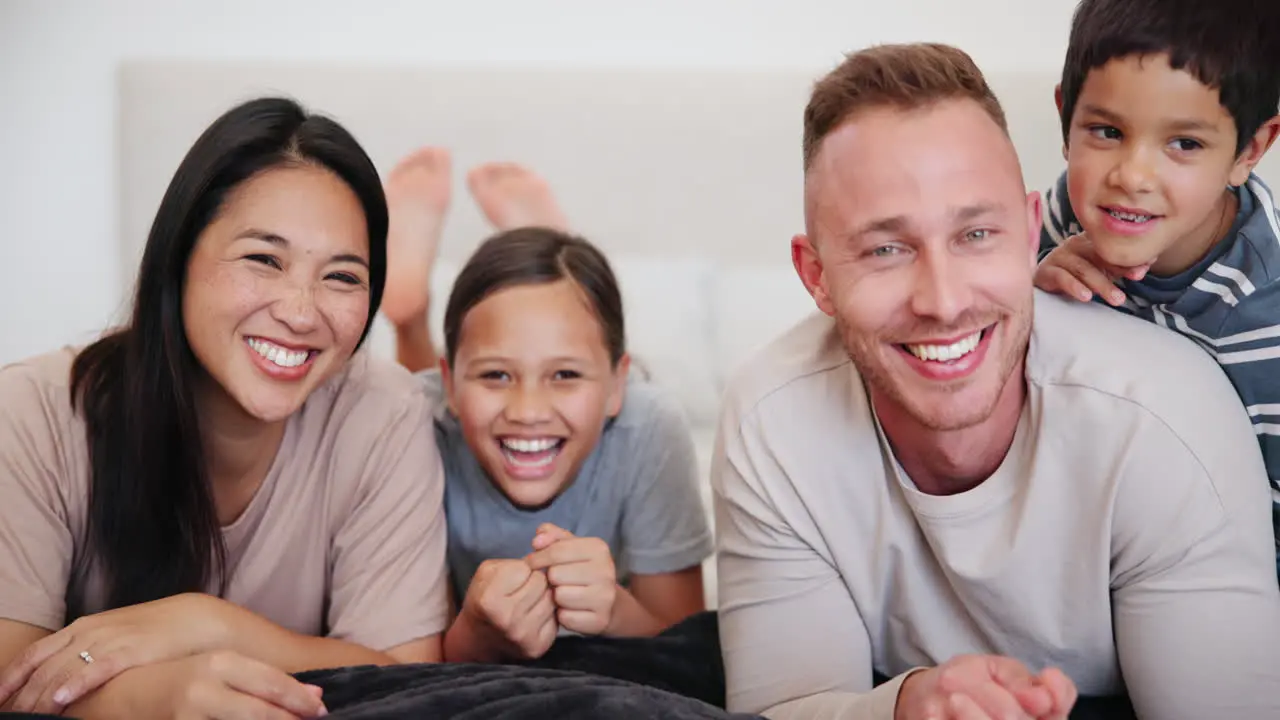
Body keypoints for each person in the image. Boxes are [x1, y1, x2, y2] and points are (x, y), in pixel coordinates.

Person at [712, 42, 1280, 720]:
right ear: (816, 276)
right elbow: (787, 703)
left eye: (977, 234)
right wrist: (905, 707)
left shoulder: (1164, 417)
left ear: (1029, 230)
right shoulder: (772, 424)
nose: (943, 301)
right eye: (886, 249)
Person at [0, 97, 451, 719]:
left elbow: (406, 672)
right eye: (264, 259)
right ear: (179, 257)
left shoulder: (386, 413)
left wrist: (206, 624)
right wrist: (143, 700)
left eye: (342, 277)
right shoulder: (32, 412)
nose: (300, 311)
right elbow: (9, 671)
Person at [378, 155, 713, 664]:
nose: (528, 411)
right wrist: (477, 629)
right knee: (406, 401)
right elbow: (415, 662)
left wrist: (616, 613)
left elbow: (687, 645)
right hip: (431, 406)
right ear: (450, 381)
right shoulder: (413, 427)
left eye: (565, 375)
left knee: (547, 332)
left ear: (618, 385)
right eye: (496, 375)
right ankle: (408, 319)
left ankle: (545, 254)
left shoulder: (648, 426)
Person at [1033, 0, 1280, 578]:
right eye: (1107, 131)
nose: (1132, 177)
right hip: (1084, 535)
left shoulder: (1266, 323)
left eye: (1184, 145)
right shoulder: (1069, 208)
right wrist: (1034, 291)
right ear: (1066, 119)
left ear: (1250, 151)